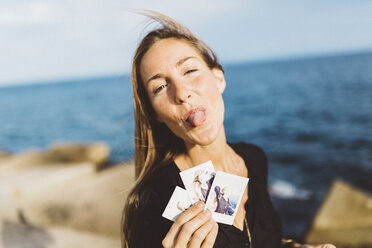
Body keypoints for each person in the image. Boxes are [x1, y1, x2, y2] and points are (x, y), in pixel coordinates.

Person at [121, 11, 336, 248]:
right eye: (160, 87)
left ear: (219, 79)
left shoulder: (253, 158)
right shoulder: (151, 201)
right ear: (155, 114)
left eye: (189, 71)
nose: (182, 93)